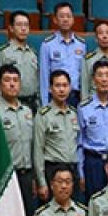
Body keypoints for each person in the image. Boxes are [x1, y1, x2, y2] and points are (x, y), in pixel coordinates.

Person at [0, 64, 35, 216]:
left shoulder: (27, 112)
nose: (12, 84)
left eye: (15, 80)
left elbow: (33, 147)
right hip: (6, 178)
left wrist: (35, 178)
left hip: (26, 176)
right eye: (7, 80)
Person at [78, 60, 108, 199]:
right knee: (94, 202)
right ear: (93, 80)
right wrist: (81, 172)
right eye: (100, 75)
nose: (104, 79)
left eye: (107, 75)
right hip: (93, 162)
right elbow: (79, 142)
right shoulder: (84, 108)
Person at [33, 70, 81, 201]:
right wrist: (41, 182)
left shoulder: (74, 114)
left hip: (72, 171)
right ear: (50, 88)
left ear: (70, 88)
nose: (61, 90)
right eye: (57, 85)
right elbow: (38, 150)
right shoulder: (43, 115)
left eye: (65, 85)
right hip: (52, 171)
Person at [39, 2, 86, 107]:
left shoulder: (81, 44)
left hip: (76, 97)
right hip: (55, 97)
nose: (65, 19)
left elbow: (84, 76)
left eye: (69, 16)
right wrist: (45, 104)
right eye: (62, 16)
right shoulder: (47, 45)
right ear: (55, 20)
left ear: (73, 19)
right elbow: (44, 77)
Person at [0, 10, 39, 111]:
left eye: (26, 25)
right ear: (11, 28)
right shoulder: (3, 52)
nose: (23, 28)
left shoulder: (33, 53)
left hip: (32, 104)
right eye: (19, 25)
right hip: (12, 103)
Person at [80, 22, 108, 103]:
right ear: (96, 39)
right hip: (94, 104)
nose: (104, 36)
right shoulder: (88, 60)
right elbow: (84, 88)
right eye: (100, 33)